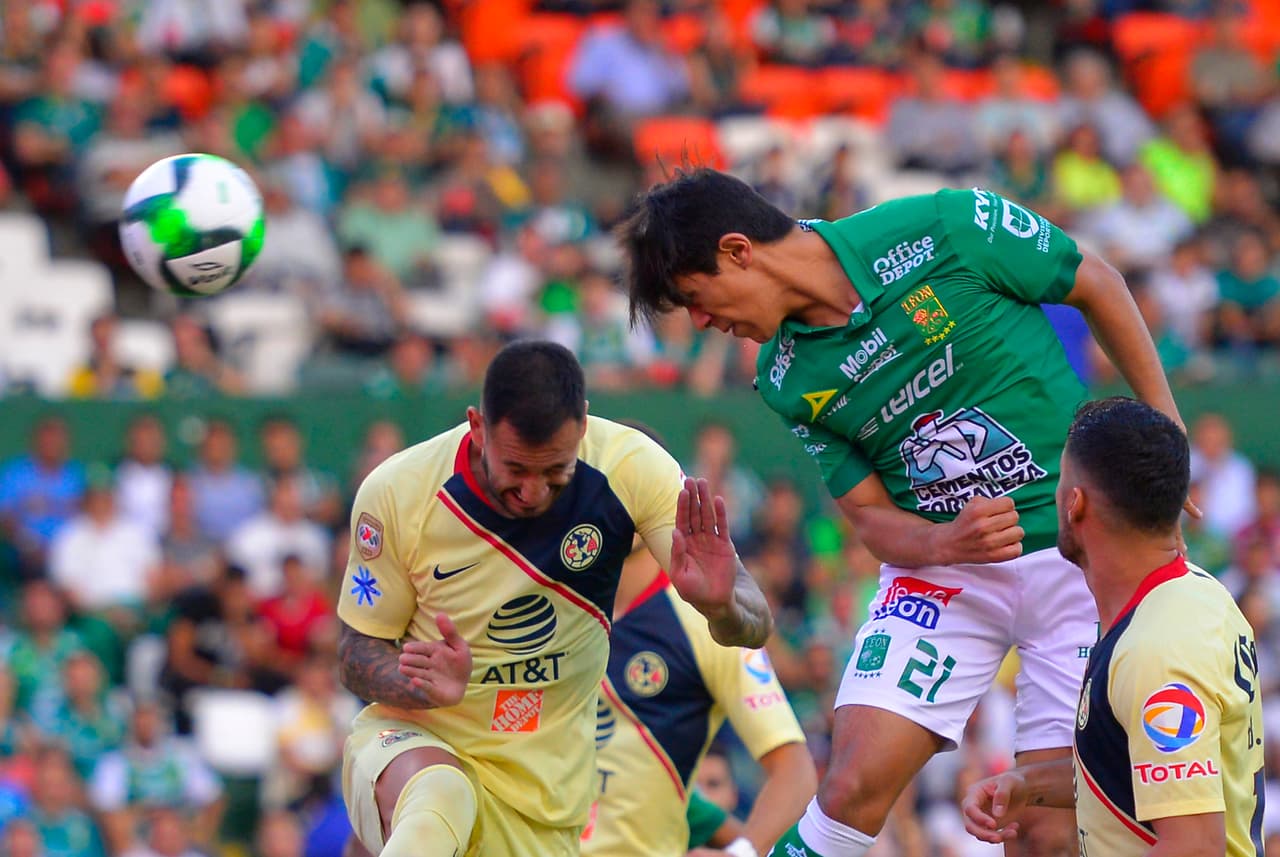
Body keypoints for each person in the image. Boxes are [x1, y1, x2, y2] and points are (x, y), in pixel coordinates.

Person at [619, 167, 1189, 857]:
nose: (703, 323)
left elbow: (1096, 281)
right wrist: (945, 540)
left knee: (1042, 829)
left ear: (738, 250)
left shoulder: (944, 227)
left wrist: (1170, 436)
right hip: (948, 569)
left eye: (695, 299)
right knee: (851, 782)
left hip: (1079, 559)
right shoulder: (781, 376)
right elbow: (867, 517)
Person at [335, 340, 772, 857]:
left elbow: (754, 620)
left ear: (583, 425)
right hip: (420, 741)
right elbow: (355, 654)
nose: (534, 492)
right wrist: (423, 686)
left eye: (555, 472)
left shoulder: (631, 467)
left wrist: (721, 607)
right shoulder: (399, 491)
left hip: (546, 801)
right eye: (516, 469)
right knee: (439, 795)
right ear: (477, 427)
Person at [961, 397, 1264, 856]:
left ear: (1075, 504)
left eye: (1060, 483)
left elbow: (1193, 848)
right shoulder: (1195, 593)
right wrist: (1028, 783)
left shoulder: (1158, 650)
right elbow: (1141, 768)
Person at [582, 526, 816, 857]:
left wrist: (741, 852)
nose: (623, 495)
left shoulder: (706, 618)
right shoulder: (544, 597)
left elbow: (795, 770)